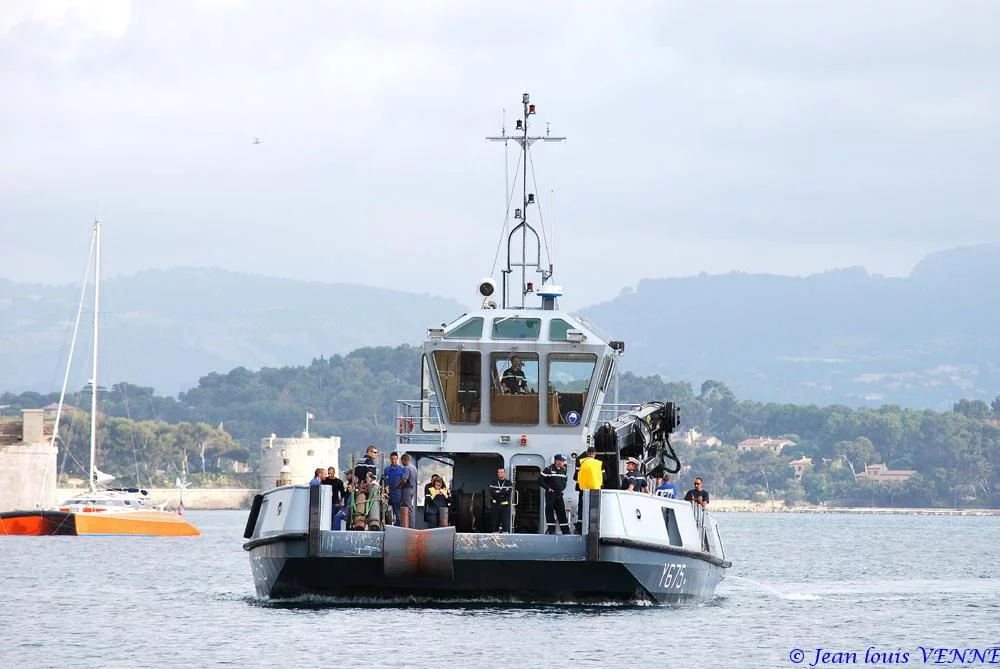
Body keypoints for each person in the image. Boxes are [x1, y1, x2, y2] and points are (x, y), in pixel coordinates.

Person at [574, 446, 604, 532]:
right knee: (594, 508)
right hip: (595, 490)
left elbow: (576, 476)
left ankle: (580, 528)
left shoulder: (581, 462)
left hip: (583, 489)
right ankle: (594, 528)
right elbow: (604, 476)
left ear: (587, 453)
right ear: (595, 454)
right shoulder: (599, 463)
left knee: (581, 508)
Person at [540, 454, 571, 535]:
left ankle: (565, 530)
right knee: (550, 512)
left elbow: (565, 481)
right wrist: (548, 488)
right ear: (557, 461)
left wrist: (561, 489)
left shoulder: (563, 471)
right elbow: (540, 480)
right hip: (551, 494)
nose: (563, 462)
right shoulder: (548, 469)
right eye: (562, 461)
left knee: (561, 512)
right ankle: (551, 530)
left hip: (559, 495)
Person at [381, 452, 406, 526]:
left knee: (397, 512)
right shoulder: (386, 470)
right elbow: (383, 482)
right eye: (392, 459)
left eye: (395, 459)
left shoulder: (401, 470)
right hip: (387, 493)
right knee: (385, 511)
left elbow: (404, 483)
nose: (393, 460)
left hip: (397, 493)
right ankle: (386, 527)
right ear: (390, 459)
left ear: (397, 459)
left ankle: (397, 527)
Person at [489, 467, 514, 533]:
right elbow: (492, 493)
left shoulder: (508, 483)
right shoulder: (493, 483)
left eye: (502, 472)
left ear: (505, 473)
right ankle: (495, 539)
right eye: (499, 472)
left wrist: (498, 492)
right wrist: (502, 492)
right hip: (495, 506)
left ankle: (505, 540)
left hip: (505, 506)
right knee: (495, 523)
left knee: (505, 524)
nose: (500, 473)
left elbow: (508, 493)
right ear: (497, 473)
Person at [400, 453, 418, 528]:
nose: (402, 463)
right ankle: (410, 526)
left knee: (408, 509)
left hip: (406, 490)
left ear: (404, 460)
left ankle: (410, 527)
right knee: (410, 507)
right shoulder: (414, 468)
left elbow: (404, 480)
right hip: (412, 489)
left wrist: (398, 485)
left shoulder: (406, 468)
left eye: (402, 461)